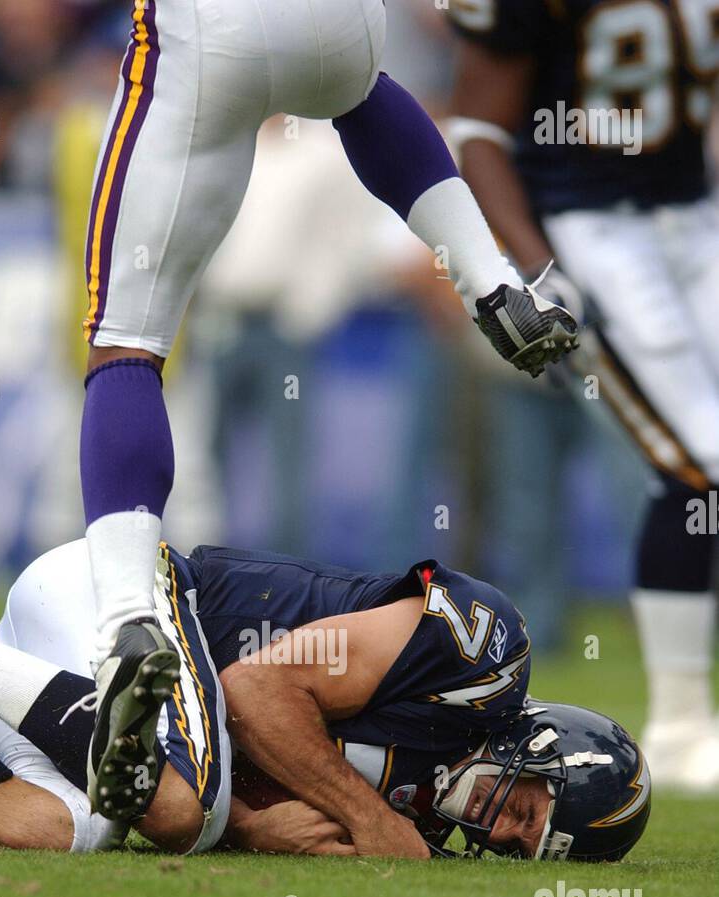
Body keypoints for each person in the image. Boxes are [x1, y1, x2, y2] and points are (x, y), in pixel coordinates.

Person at [77, 0, 579, 821]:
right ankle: (490, 276)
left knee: (126, 345)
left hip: (209, 32)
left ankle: (130, 626)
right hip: (341, 28)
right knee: (360, 87)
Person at [0, 539, 649, 860]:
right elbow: (254, 689)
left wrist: (260, 823)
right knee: (182, 810)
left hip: (66, 681)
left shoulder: (428, 809)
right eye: (527, 810)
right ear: (538, 745)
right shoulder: (482, 656)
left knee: (83, 827)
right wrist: (356, 818)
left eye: (520, 846)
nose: (500, 830)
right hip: (122, 599)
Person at [447, 0, 719, 790]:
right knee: (695, 463)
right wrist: (534, 265)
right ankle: (679, 725)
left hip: (695, 223)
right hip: (589, 228)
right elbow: (476, 134)